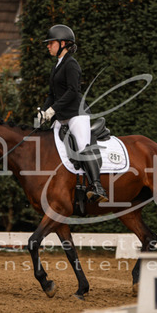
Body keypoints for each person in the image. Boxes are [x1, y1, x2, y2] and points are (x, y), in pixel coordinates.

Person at [38, 24, 108, 203]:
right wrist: (44, 112)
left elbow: (73, 91)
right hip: (61, 117)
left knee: (83, 147)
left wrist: (54, 109)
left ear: (63, 44)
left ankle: (97, 186)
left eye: (51, 43)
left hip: (76, 115)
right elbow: (51, 95)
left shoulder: (71, 64)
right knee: (48, 145)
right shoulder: (56, 66)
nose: (48, 46)